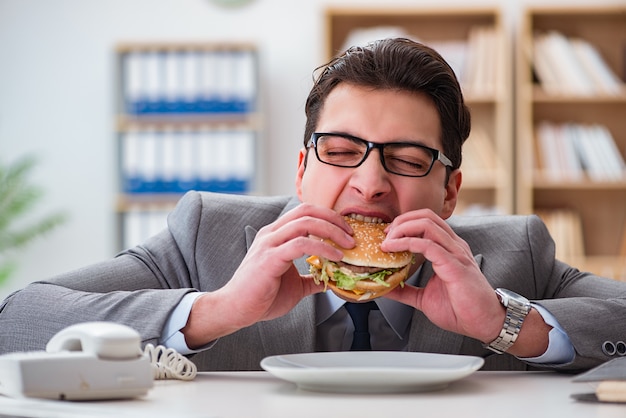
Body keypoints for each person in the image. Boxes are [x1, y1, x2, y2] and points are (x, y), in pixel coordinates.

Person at [0, 38, 624, 372]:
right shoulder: (207, 236)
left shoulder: (514, 254)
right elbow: (17, 319)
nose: (372, 183)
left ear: (450, 192)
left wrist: (504, 325)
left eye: (407, 158)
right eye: (343, 149)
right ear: (303, 170)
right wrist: (215, 312)